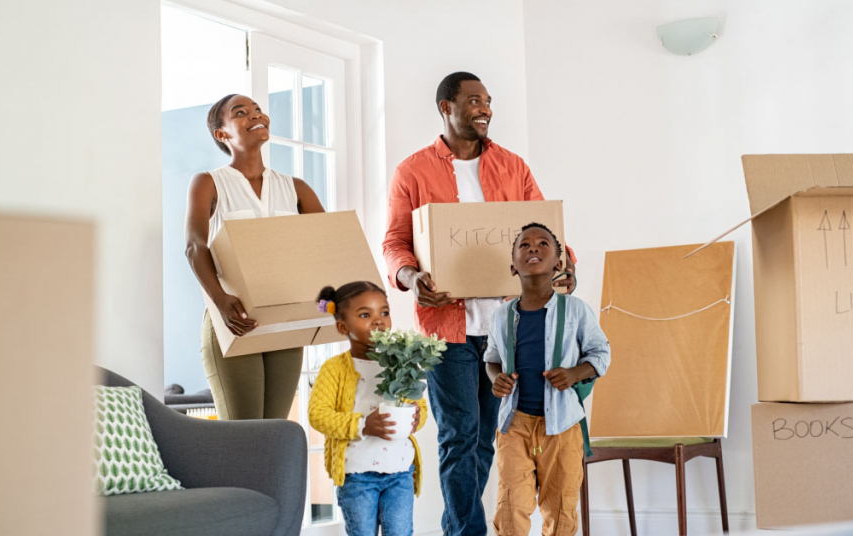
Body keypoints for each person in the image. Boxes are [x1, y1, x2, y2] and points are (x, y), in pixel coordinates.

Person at [383, 71, 577, 535]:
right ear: (445, 108)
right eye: (473, 101)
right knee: (458, 435)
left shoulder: (513, 166)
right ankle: (466, 532)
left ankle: (461, 529)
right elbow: (395, 242)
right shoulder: (412, 171)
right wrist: (411, 277)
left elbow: (545, 232)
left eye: (487, 101)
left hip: (508, 329)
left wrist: (567, 261)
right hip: (446, 328)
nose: (484, 108)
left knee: (490, 436)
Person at [184, 93, 326, 420]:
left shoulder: (296, 188)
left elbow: (325, 249)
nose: (256, 115)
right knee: (243, 437)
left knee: (274, 434)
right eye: (241, 112)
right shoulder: (209, 183)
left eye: (258, 110)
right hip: (234, 319)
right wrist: (220, 300)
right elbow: (194, 245)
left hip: (285, 322)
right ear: (222, 134)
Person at [484, 223, 610, 536]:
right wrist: (496, 378)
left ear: (559, 262)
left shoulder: (576, 310)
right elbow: (492, 358)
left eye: (542, 244)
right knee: (511, 506)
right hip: (515, 425)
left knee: (561, 508)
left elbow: (600, 354)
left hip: (563, 427)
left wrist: (574, 374)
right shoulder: (501, 315)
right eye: (524, 245)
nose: (533, 249)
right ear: (513, 265)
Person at [308, 281, 427, 536]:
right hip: (357, 474)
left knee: (401, 532)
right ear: (343, 327)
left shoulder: (402, 361)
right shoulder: (335, 369)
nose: (378, 321)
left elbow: (419, 403)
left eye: (384, 312)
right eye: (365, 315)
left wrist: (417, 417)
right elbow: (319, 415)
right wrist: (363, 425)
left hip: (400, 471)